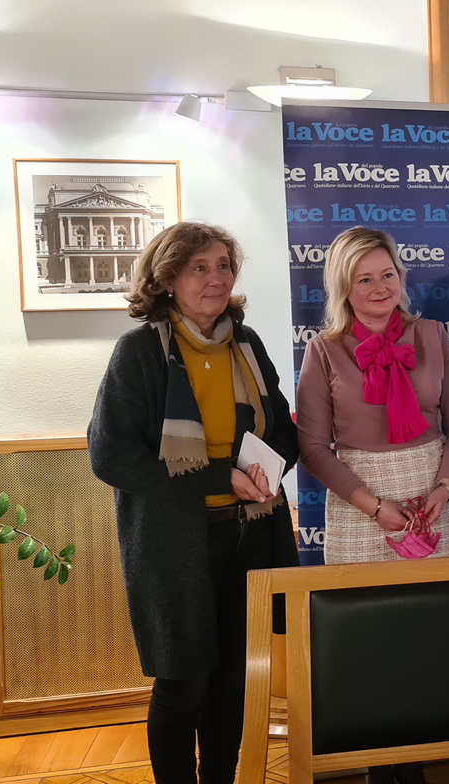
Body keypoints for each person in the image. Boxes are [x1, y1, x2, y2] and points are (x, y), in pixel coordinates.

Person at [88, 222, 299, 784]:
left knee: (234, 680)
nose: (216, 278)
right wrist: (219, 475)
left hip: (252, 533)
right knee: (183, 684)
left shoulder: (247, 344)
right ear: (167, 278)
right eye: (199, 268)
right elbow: (111, 456)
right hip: (173, 544)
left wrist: (267, 468)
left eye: (224, 265)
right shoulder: (140, 350)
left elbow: (283, 430)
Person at [296, 226, 449, 571]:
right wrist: (374, 506)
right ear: (343, 287)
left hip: (433, 507)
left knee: (438, 603)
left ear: (400, 277)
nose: (380, 288)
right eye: (364, 280)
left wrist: (444, 489)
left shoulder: (432, 335)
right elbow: (313, 450)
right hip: (357, 509)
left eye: (387, 275)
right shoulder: (323, 350)